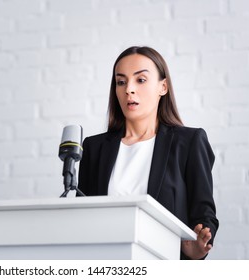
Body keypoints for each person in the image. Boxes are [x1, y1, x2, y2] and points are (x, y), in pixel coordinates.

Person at [78, 46, 219, 260]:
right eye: (121, 82)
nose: (129, 90)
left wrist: (196, 247)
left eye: (140, 80)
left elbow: (203, 214)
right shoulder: (94, 148)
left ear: (163, 87)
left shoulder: (189, 142)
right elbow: (83, 222)